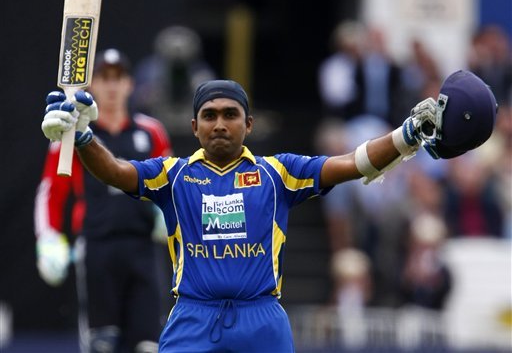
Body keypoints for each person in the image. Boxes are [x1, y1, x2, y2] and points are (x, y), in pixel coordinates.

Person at [40, 71, 496, 352]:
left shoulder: (279, 173)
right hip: (193, 317)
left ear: (249, 124)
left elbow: (354, 163)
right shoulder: (173, 175)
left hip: (261, 320)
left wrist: (407, 134)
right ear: (194, 126)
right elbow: (116, 172)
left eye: (231, 114)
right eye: (210, 115)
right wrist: (83, 138)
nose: (220, 123)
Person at [35, 48, 173, 353]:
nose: (112, 86)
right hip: (97, 246)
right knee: (102, 344)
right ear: (93, 85)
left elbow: (169, 182)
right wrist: (48, 239)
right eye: (104, 78)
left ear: (129, 84)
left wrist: (168, 214)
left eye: (118, 78)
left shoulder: (151, 132)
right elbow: (51, 190)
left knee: (148, 344)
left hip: (142, 248)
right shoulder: (72, 133)